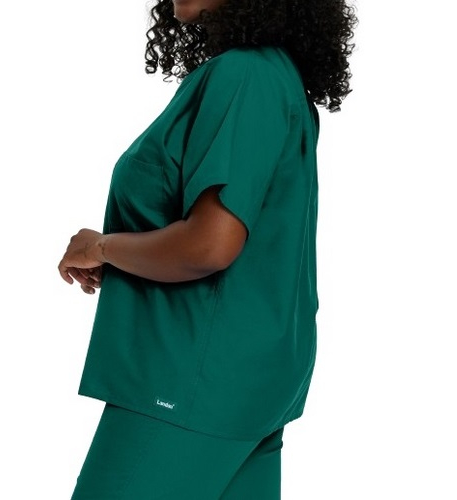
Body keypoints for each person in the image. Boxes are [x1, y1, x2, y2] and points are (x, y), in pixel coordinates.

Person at [58, 0, 357, 498]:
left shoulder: (243, 76)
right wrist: (130, 256)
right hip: (250, 390)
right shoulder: (276, 78)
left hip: (191, 384)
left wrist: (103, 247)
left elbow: (211, 245)